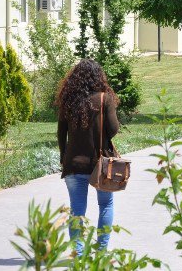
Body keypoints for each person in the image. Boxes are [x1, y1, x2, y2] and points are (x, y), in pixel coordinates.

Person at [55, 59, 120, 255]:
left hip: (73, 164)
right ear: (99, 77)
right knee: (106, 204)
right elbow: (114, 129)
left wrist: (63, 156)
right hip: (100, 165)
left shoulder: (69, 100)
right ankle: (101, 251)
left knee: (77, 211)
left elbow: (60, 133)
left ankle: (79, 254)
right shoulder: (104, 99)